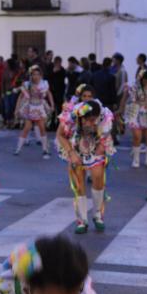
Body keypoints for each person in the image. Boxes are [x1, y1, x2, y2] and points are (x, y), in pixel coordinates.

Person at [57, 91, 115, 233]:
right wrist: (72, 154)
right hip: (75, 146)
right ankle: (82, 220)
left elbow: (105, 139)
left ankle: (97, 215)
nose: (90, 123)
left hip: (96, 145)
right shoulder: (71, 116)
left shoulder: (104, 117)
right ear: (81, 118)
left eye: (93, 120)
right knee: (79, 183)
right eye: (87, 120)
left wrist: (100, 150)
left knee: (98, 178)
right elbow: (60, 135)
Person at [119, 70, 147, 168]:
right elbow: (125, 97)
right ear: (141, 79)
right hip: (135, 110)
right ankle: (136, 159)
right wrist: (121, 109)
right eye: (146, 80)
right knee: (136, 136)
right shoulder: (133, 85)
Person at [14, 65, 54, 159]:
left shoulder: (44, 84)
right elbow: (21, 96)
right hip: (30, 107)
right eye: (33, 74)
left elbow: (49, 93)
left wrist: (52, 105)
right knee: (27, 128)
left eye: (37, 74)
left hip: (39, 107)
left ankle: (45, 149)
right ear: (31, 75)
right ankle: (18, 149)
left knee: (42, 128)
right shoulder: (27, 84)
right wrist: (17, 108)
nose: (36, 76)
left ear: (41, 75)